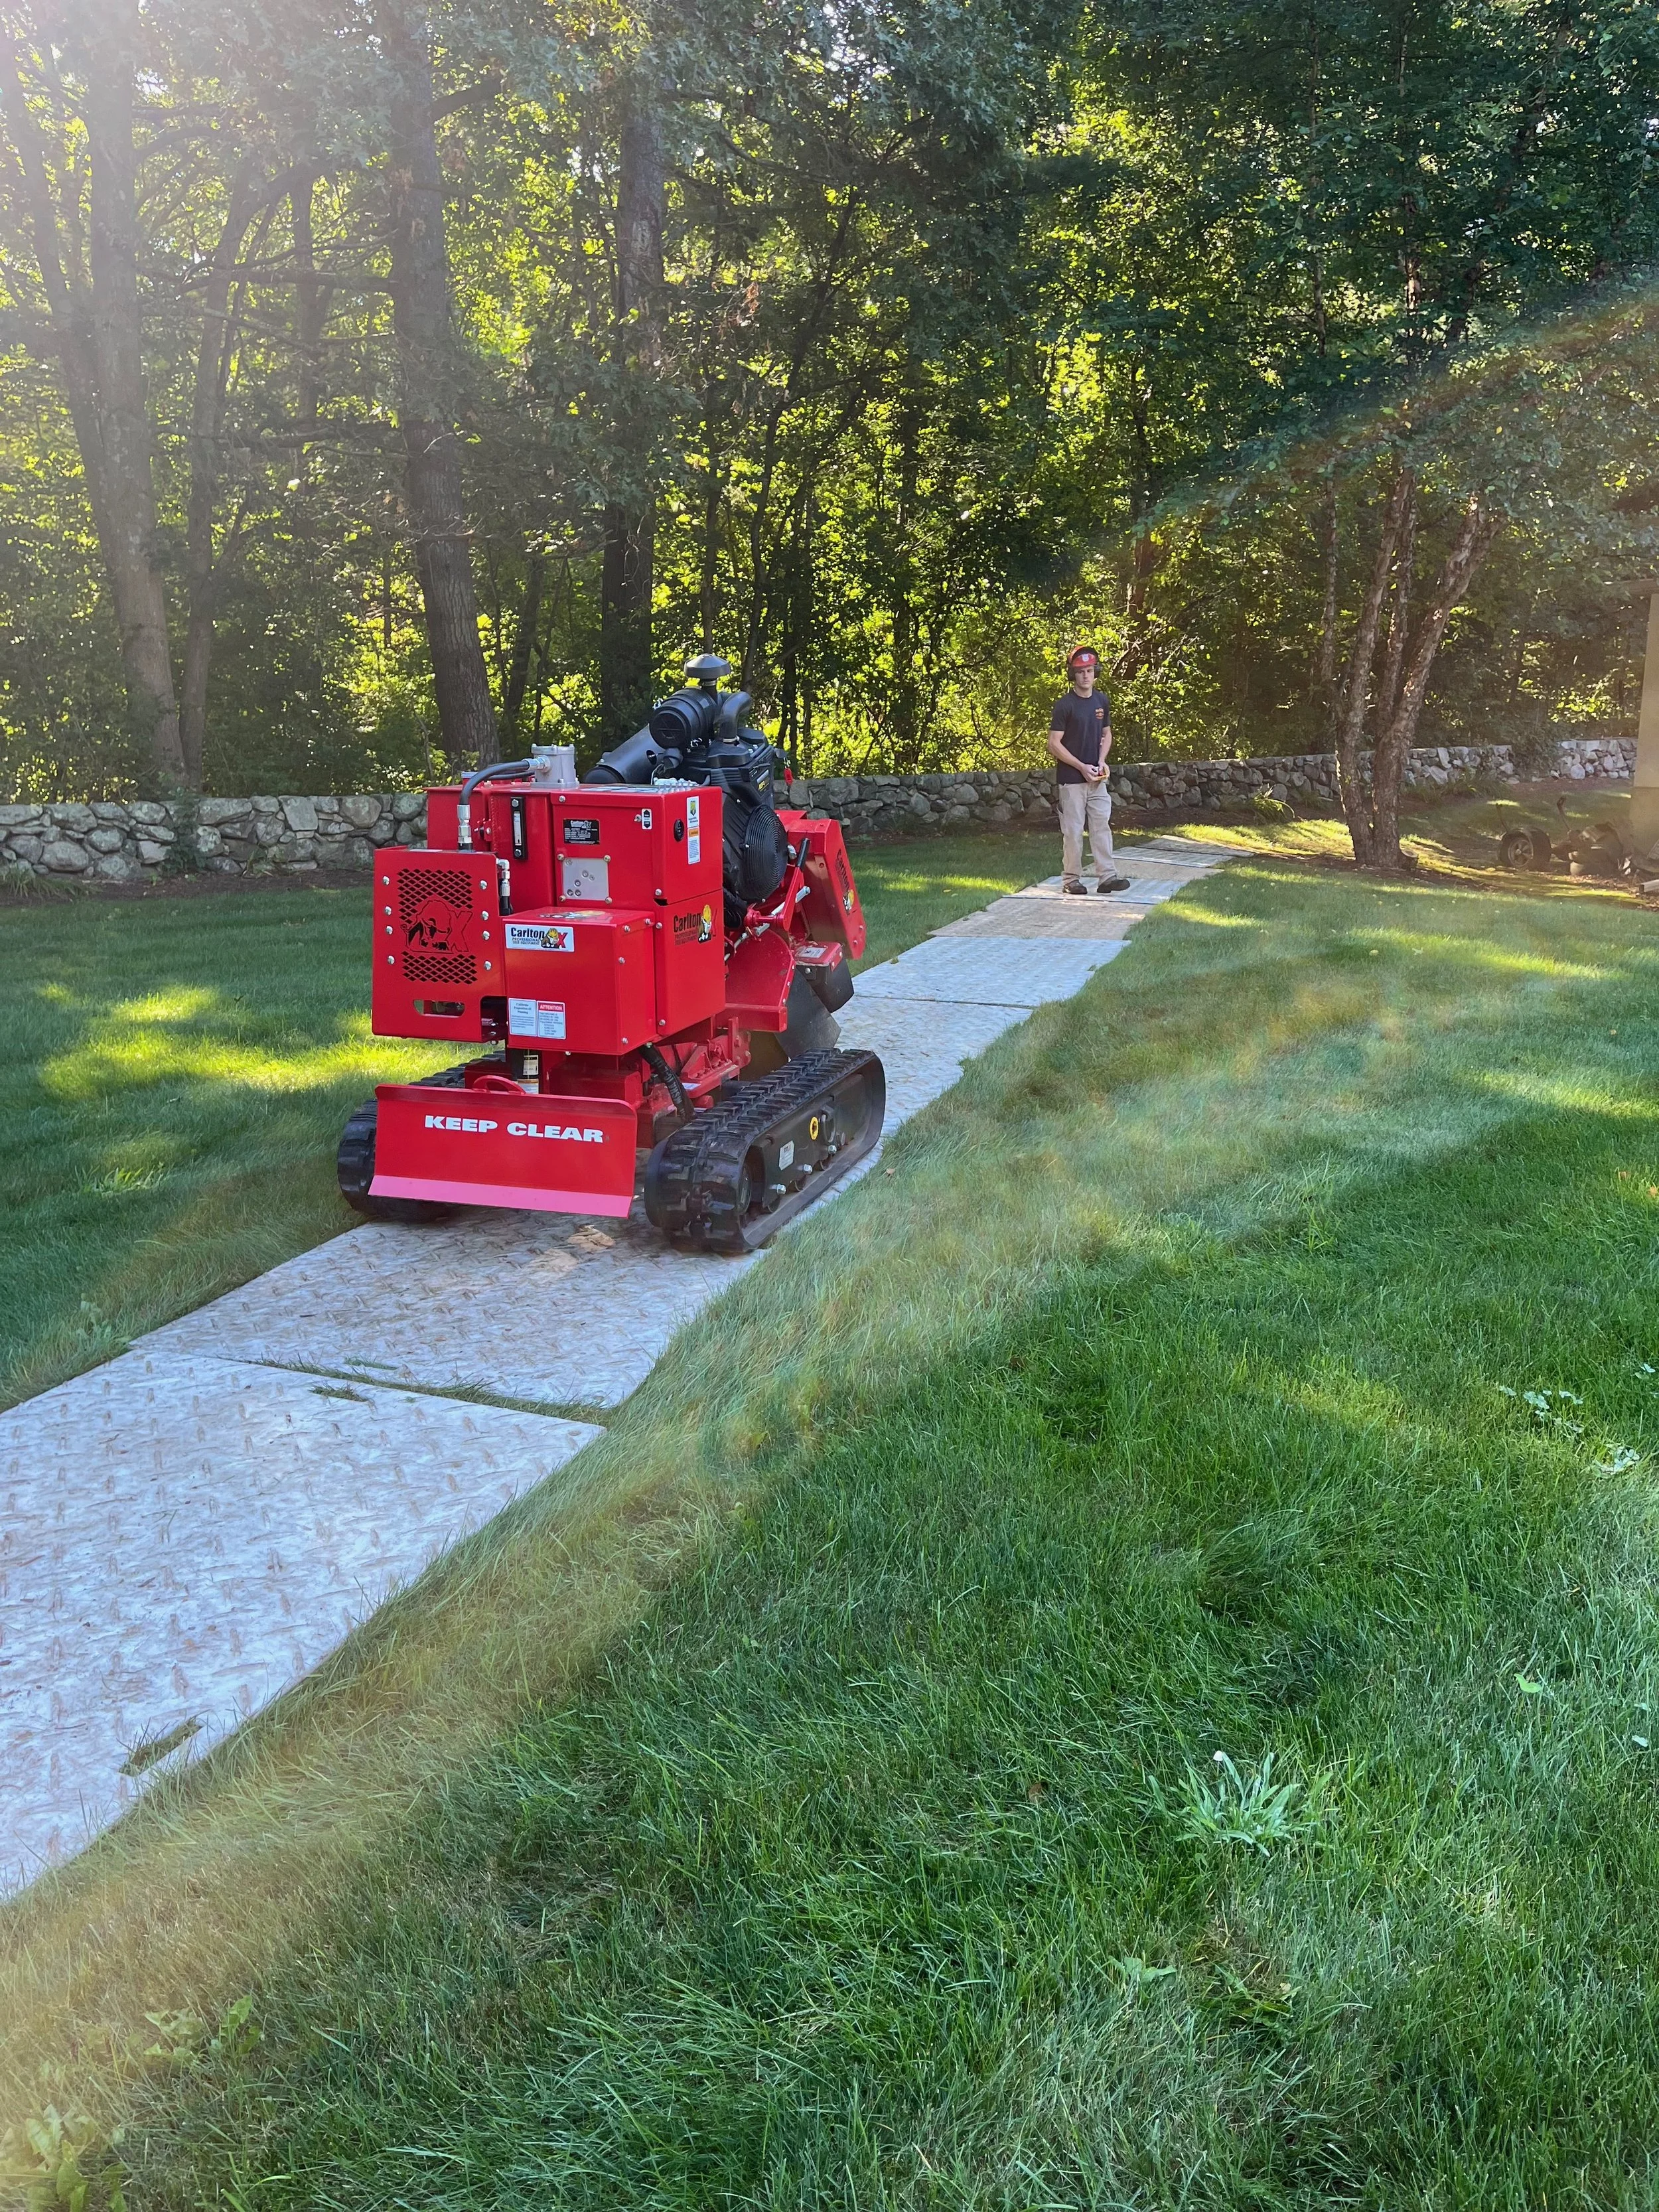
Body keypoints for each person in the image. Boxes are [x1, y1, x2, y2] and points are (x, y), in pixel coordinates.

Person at [1047, 646, 1130, 895]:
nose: (1086, 676)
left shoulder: (1101, 700)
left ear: (1096, 673)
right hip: (1072, 781)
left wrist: (1102, 760)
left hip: (1097, 780)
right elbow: (1053, 744)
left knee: (1101, 826)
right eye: (1081, 671)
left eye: (1090, 671)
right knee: (1073, 831)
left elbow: (1106, 734)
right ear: (1073, 674)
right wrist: (1081, 766)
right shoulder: (1065, 705)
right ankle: (1071, 880)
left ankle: (1107, 878)